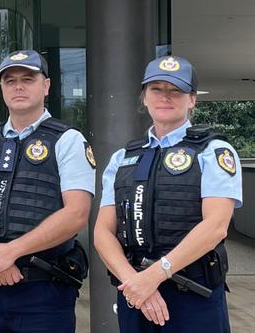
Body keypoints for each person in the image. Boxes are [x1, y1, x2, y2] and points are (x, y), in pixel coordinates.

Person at [0, 49, 95, 332]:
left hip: (44, 289)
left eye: (28, 78)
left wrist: (11, 252)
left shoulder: (68, 140)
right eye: (10, 80)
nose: (19, 86)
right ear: (1, 87)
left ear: (46, 86)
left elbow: (76, 214)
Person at [93, 56, 242, 332]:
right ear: (145, 97)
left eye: (176, 90)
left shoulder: (213, 151)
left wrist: (153, 276)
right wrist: (137, 283)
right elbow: (103, 231)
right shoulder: (122, 158)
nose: (165, 97)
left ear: (192, 99)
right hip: (135, 293)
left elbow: (216, 227)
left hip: (194, 294)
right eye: (156, 89)